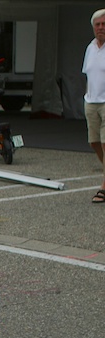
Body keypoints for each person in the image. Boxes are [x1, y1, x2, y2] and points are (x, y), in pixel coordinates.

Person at [82, 8, 105, 203]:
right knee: (94, 142)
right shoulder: (90, 48)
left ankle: (104, 187)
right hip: (91, 102)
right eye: (98, 24)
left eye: (104, 24)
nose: (101, 27)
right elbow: (87, 75)